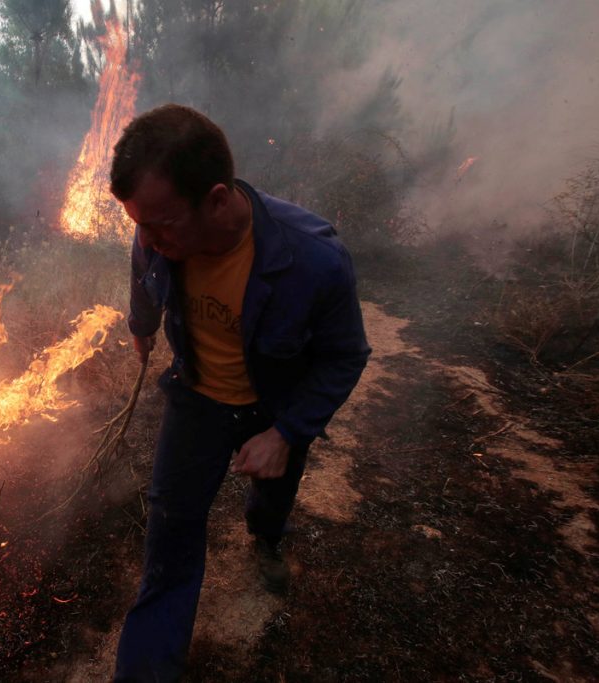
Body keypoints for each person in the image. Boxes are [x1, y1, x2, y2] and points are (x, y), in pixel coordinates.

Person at [110, 104, 370, 682]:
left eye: (161, 224)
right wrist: (141, 325)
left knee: (272, 499)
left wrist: (286, 433)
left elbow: (346, 355)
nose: (148, 240)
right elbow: (142, 270)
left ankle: (268, 538)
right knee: (170, 540)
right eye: (139, 225)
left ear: (218, 200)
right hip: (197, 399)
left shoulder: (314, 259)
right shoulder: (157, 233)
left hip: (275, 402)